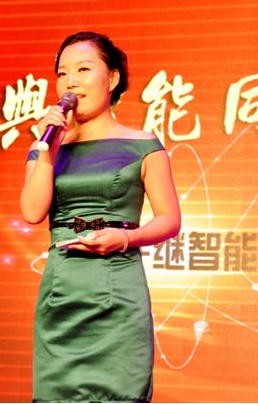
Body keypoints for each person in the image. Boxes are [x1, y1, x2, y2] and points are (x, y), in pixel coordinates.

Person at [20, 31, 181, 402]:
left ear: (112, 78)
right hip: (63, 290)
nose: (70, 82)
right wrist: (48, 148)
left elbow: (169, 219)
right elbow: (31, 211)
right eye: (62, 73)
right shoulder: (46, 146)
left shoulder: (143, 145)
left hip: (118, 288)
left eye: (83, 69)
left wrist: (124, 238)